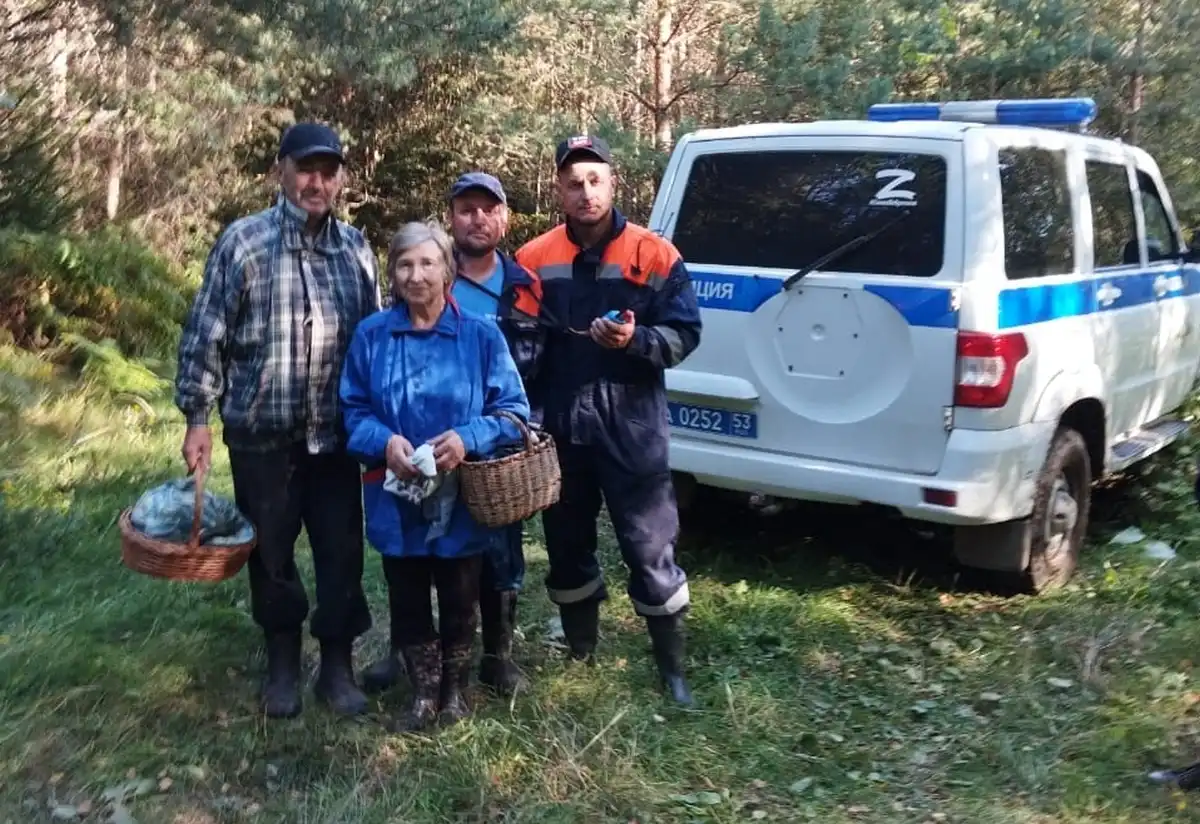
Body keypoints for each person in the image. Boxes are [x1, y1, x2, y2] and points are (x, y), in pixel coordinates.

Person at [174, 122, 381, 719]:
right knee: (270, 553)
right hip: (261, 435)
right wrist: (197, 417)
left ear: (340, 179)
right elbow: (206, 333)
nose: (317, 182)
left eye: (328, 172)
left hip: (335, 437)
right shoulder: (244, 242)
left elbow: (374, 341)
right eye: (305, 169)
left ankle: (337, 667)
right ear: (281, 171)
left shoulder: (355, 250)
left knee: (342, 552)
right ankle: (283, 665)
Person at [513, 135, 702, 705]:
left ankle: (671, 668)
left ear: (613, 183)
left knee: (649, 545)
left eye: (595, 180)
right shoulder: (533, 258)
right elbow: (519, 344)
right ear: (559, 191)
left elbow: (685, 333)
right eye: (574, 183)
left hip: (632, 426)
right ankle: (581, 652)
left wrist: (636, 340)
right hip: (561, 428)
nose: (586, 192)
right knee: (566, 543)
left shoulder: (655, 254)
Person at [339, 220, 531, 731]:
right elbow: (353, 410)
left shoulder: (480, 335)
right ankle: (423, 694)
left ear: (448, 271)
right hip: (394, 490)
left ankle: (454, 692)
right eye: (405, 265)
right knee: (405, 592)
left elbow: (513, 410)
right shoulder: (373, 335)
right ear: (392, 274)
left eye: (427, 263)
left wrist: (468, 437)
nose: (416, 275)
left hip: (462, 492)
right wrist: (385, 442)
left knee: (460, 591)